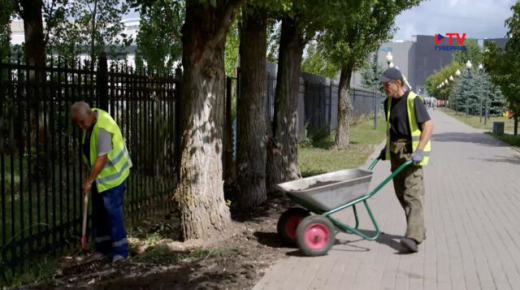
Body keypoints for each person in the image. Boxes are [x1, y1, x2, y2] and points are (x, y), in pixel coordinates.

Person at [377, 68, 433, 253]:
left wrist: (419, 150)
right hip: (395, 154)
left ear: (398, 83)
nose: (385, 88)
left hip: (411, 154)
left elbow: (428, 125)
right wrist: (386, 148)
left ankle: (413, 238)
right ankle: (418, 229)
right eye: (383, 85)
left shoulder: (413, 100)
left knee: (413, 195)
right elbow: (392, 128)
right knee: (401, 194)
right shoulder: (388, 103)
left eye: (388, 84)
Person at [71, 102, 132, 262]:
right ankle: (102, 249)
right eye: (77, 122)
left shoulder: (103, 128)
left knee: (113, 214)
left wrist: (89, 181)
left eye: (81, 122)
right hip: (101, 178)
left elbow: (102, 158)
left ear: (90, 114)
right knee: (99, 213)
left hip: (113, 177)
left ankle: (120, 252)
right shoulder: (92, 121)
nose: (80, 125)